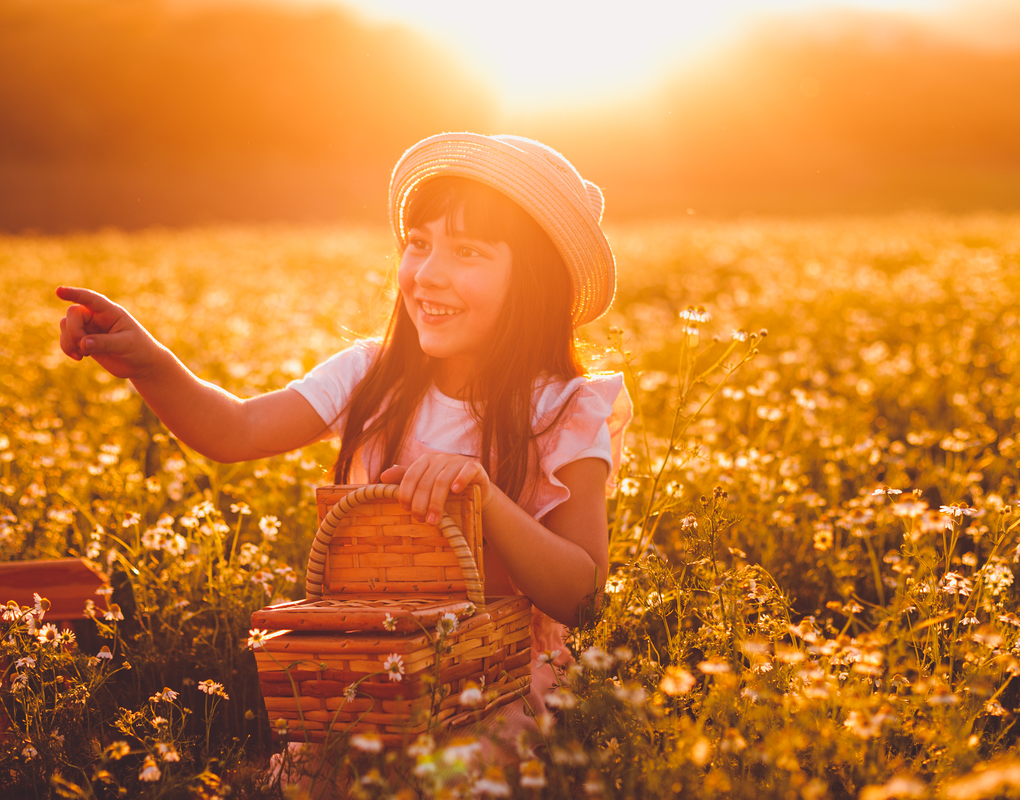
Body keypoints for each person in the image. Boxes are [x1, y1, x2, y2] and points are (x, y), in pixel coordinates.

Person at [56, 132, 631, 742]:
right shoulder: (371, 375)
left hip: (500, 688)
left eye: (469, 253)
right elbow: (236, 429)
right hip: (370, 678)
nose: (428, 274)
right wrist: (150, 364)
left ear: (533, 283)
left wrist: (485, 498)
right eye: (418, 244)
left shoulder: (567, 408)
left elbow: (583, 597)